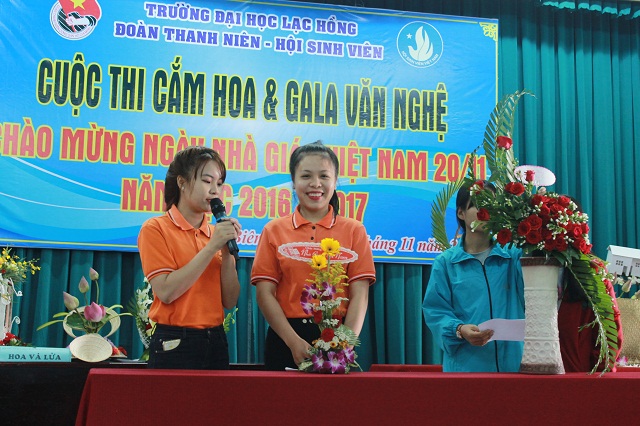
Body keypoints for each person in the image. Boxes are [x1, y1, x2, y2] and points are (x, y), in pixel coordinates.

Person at [251, 141, 376, 371]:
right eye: (306, 176)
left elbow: (360, 294)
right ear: (293, 181)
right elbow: (264, 293)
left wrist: (345, 344)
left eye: (324, 176)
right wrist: (293, 342)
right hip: (285, 337)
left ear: (335, 181)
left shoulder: (354, 230)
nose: (315, 184)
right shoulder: (273, 230)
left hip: (338, 337)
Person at [138, 146, 241, 369]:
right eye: (207, 181)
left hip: (215, 340)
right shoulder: (155, 228)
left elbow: (230, 300)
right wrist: (211, 247)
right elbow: (166, 292)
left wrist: (225, 253)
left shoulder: (216, 233)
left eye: (219, 183)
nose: (214, 190)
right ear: (182, 182)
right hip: (175, 342)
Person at [422, 181, 525, 372]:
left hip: (514, 367)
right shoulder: (446, 263)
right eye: (478, 204)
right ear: (461, 213)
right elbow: (436, 311)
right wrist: (460, 329)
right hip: (465, 369)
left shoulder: (514, 256)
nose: (486, 210)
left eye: (491, 204)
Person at [557, 197, 624, 372]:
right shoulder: (528, 268)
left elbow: (610, 331)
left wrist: (596, 374)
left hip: (580, 376)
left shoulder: (592, 271)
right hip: (534, 374)